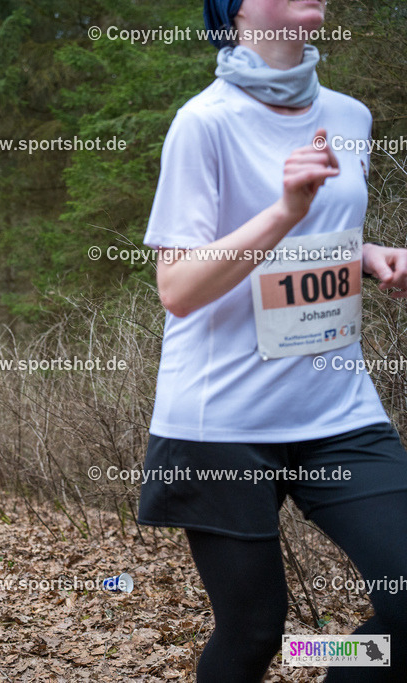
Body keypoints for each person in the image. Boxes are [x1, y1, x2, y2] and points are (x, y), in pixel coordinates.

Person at [138, 2, 407, 681]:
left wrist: (366, 252)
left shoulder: (351, 118)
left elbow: (312, 243)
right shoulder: (204, 123)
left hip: (337, 408)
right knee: (253, 631)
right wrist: (285, 211)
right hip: (222, 417)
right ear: (237, 9)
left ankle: (324, 660)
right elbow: (178, 284)